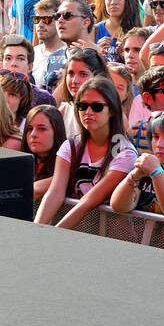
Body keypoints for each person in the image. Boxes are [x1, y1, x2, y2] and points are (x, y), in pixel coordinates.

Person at [34, 76, 137, 230]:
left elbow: (89, 201)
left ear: (112, 110)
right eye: (82, 106)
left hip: (112, 239)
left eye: (97, 107)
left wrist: (52, 234)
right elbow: (55, 192)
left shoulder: (124, 152)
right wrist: (37, 230)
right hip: (75, 234)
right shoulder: (70, 146)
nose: (88, 112)